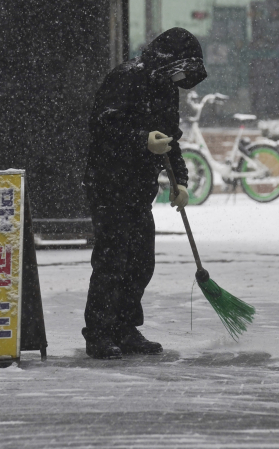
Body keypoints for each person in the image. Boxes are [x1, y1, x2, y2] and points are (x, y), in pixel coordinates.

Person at [82, 28, 207, 359]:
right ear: (166, 60)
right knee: (112, 260)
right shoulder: (126, 77)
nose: (182, 77)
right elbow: (103, 126)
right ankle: (99, 333)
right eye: (181, 68)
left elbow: (170, 140)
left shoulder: (166, 87)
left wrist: (179, 181)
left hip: (138, 189)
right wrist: (141, 139)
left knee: (141, 262)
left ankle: (125, 328)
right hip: (109, 183)